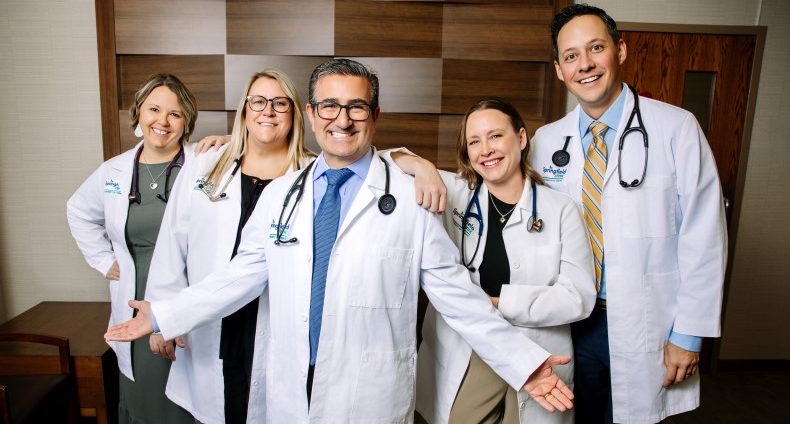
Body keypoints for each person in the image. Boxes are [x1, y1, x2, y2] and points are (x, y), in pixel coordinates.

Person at [104, 58, 576, 423]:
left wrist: (523, 363)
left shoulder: (408, 200)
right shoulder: (283, 195)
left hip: (366, 388)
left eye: (356, 107)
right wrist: (166, 312)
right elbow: (238, 276)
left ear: (374, 114)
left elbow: (458, 296)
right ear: (311, 114)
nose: (342, 119)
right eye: (329, 106)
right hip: (291, 381)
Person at [530, 4, 728, 423]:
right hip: (570, 319)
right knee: (568, 417)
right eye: (570, 56)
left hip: (646, 320)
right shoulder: (547, 142)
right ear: (558, 69)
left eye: (596, 48)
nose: (585, 64)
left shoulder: (677, 129)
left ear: (619, 51)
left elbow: (704, 236)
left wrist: (689, 335)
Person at [392, 98, 596, 424]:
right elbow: (385, 161)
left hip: (539, 349)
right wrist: (423, 167)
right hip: (471, 346)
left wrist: (497, 302)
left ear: (521, 138)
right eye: (474, 141)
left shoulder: (561, 209)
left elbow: (578, 297)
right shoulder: (454, 193)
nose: (485, 149)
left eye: (495, 136)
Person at [144, 68, 315, 423]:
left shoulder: (312, 177)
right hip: (210, 313)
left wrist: (412, 161)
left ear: (294, 114)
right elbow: (173, 241)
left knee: (268, 406)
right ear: (244, 111)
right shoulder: (207, 165)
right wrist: (165, 314)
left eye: (279, 103)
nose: (268, 110)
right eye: (258, 101)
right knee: (220, 406)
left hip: (274, 314)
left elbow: (367, 159)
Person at [66, 73, 225, 423]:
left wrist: (230, 138)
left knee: (192, 397)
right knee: (146, 400)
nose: (162, 121)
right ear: (138, 113)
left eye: (175, 113)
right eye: (154, 109)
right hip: (136, 299)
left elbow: (266, 152)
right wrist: (104, 260)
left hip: (187, 292)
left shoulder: (206, 163)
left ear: (187, 123)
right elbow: (77, 210)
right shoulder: (115, 171)